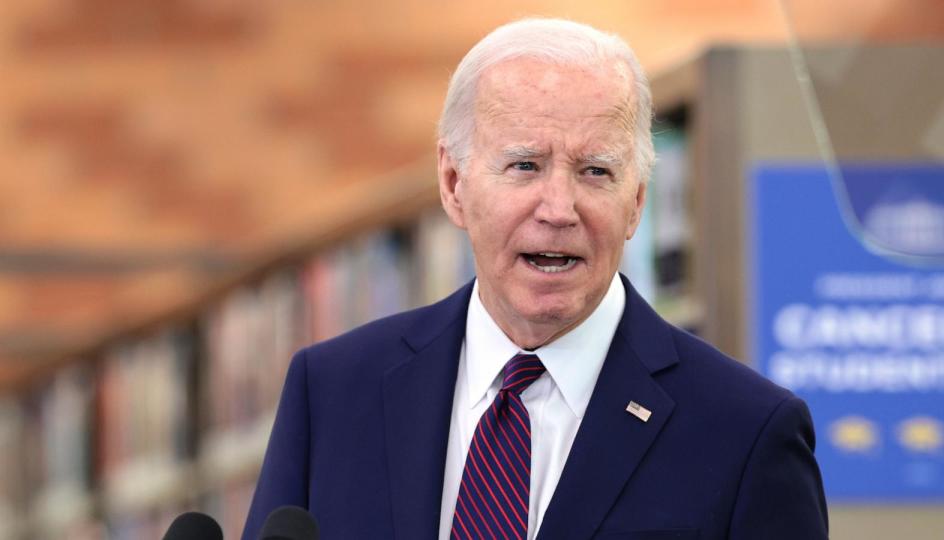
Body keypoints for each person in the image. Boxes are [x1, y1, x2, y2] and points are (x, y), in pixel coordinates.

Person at [242, 18, 828, 540]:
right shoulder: (334, 394)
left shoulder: (747, 430)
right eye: (525, 165)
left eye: (596, 171)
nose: (559, 208)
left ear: (637, 204)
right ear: (453, 184)